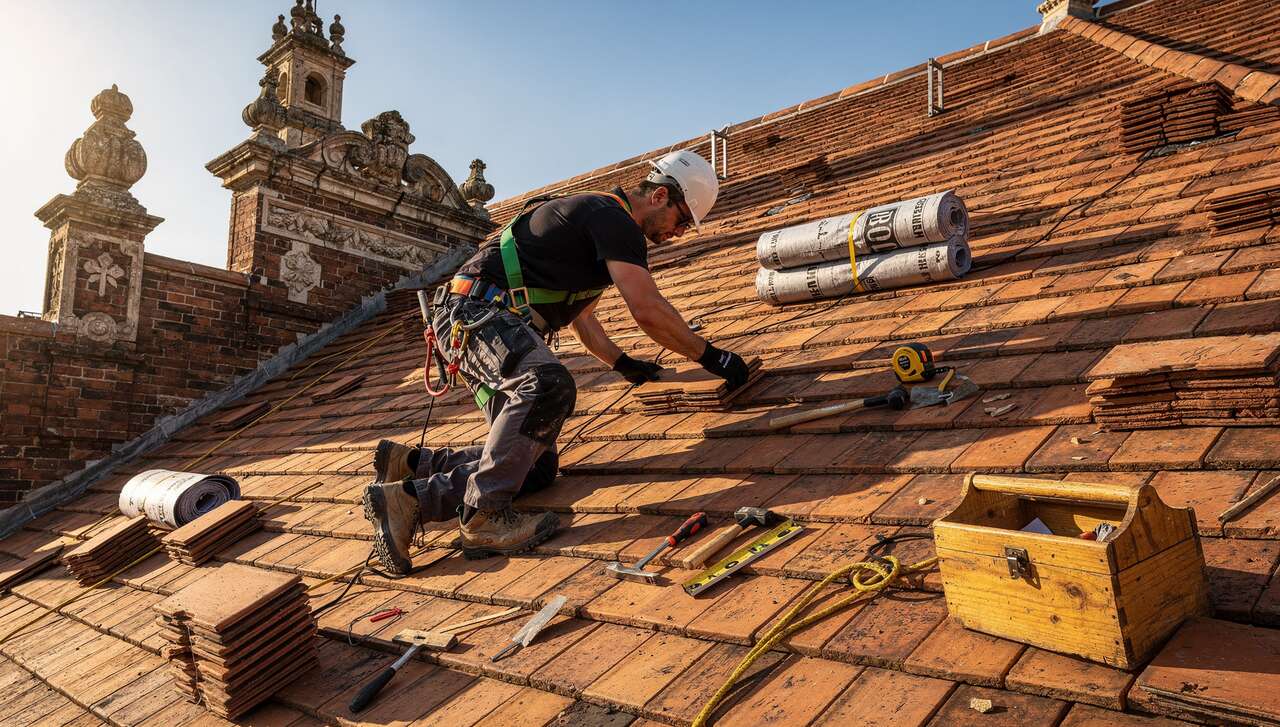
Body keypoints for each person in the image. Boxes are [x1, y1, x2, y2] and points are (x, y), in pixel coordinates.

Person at [361, 150, 750, 574]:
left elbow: (583, 319)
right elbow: (647, 308)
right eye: (681, 221)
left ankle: (411, 483)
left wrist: (622, 363)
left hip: (474, 323)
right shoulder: (614, 220)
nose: (678, 234)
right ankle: (483, 517)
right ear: (659, 196)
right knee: (548, 385)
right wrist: (712, 356)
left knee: (534, 466)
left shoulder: (595, 228)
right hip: (475, 315)